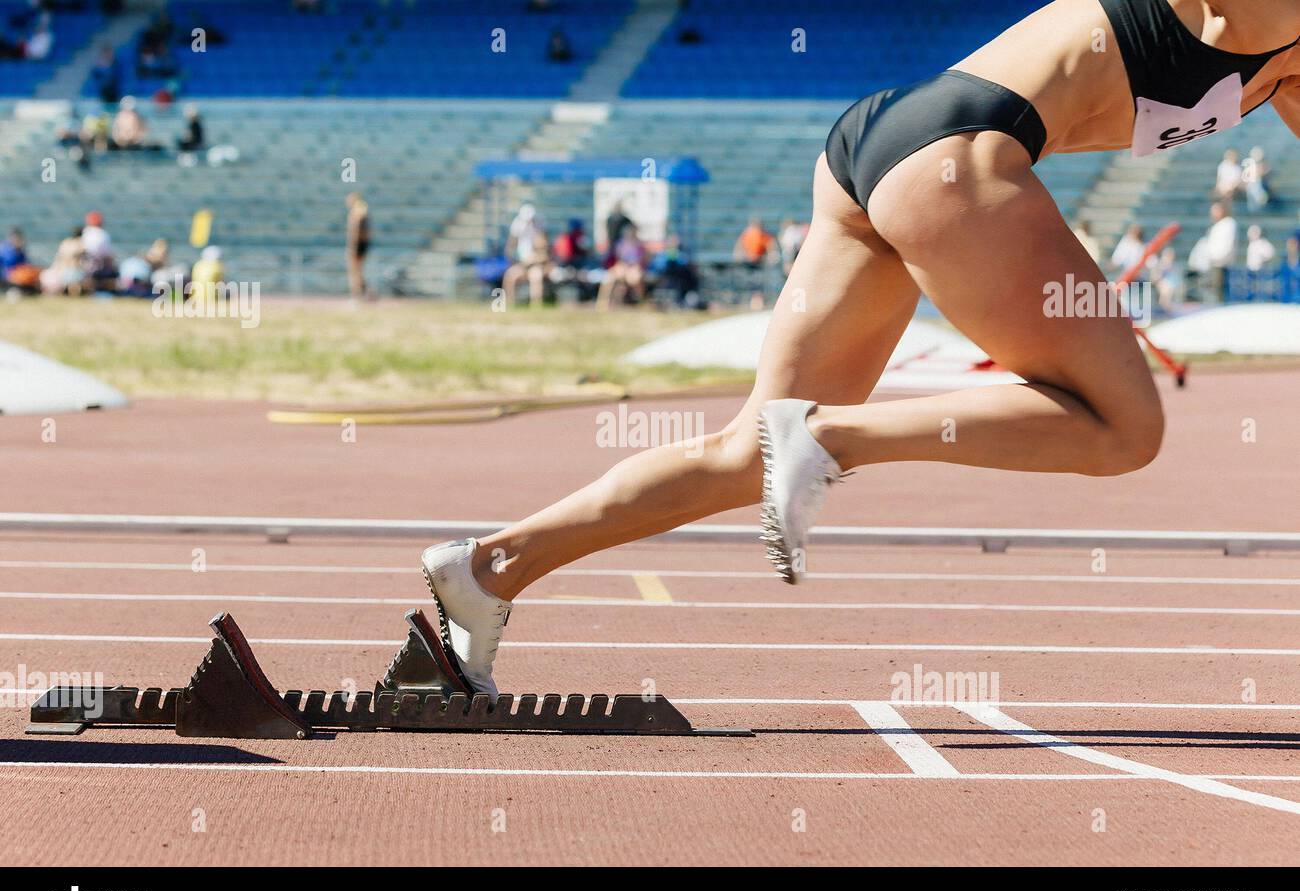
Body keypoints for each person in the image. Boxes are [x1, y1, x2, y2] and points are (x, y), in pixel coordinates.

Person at [417, 0, 1298, 698]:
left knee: (747, 452)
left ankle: (492, 567)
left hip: (882, 144)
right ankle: (834, 438)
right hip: (956, 155)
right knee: (1123, 428)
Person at [502, 203, 550, 306]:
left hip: (535, 266)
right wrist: (520, 261)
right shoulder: (518, 232)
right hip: (522, 265)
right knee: (510, 276)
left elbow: (544, 255)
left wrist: (534, 259)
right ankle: (509, 304)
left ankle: (536, 306)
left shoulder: (539, 233)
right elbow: (510, 252)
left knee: (536, 277)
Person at [595, 223, 647, 310]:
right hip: (622, 267)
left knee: (635, 279)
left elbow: (641, 261)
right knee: (608, 278)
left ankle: (641, 302)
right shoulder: (621, 244)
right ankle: (603, 303)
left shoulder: (639, 245)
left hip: (634, 268)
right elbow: (618, 259)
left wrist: (633, 268)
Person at [1203, 201, 1238, 299]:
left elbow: (1227, 246)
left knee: (1220, 293)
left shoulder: (1228, 223)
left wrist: (1217, 258)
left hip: (1221, 264)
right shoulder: (1217, 225)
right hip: (1214, 263)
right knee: (1214, 291)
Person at [345, 192, 370, 300]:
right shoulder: (363, 212)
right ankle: (365, 293)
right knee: (358, 271)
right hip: (363, 244)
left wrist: (353, 246)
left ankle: (358, 294)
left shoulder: (357, 213)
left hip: (358, 244)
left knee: (355, 271)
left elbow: (356, 231)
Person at [1243, 145, 1272, 210]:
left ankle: (1259, 202)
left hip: (1260, 186)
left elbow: (1266, 173)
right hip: (1253, 186)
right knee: (1253, 185)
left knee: (1255, 185)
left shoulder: (1263, 165)